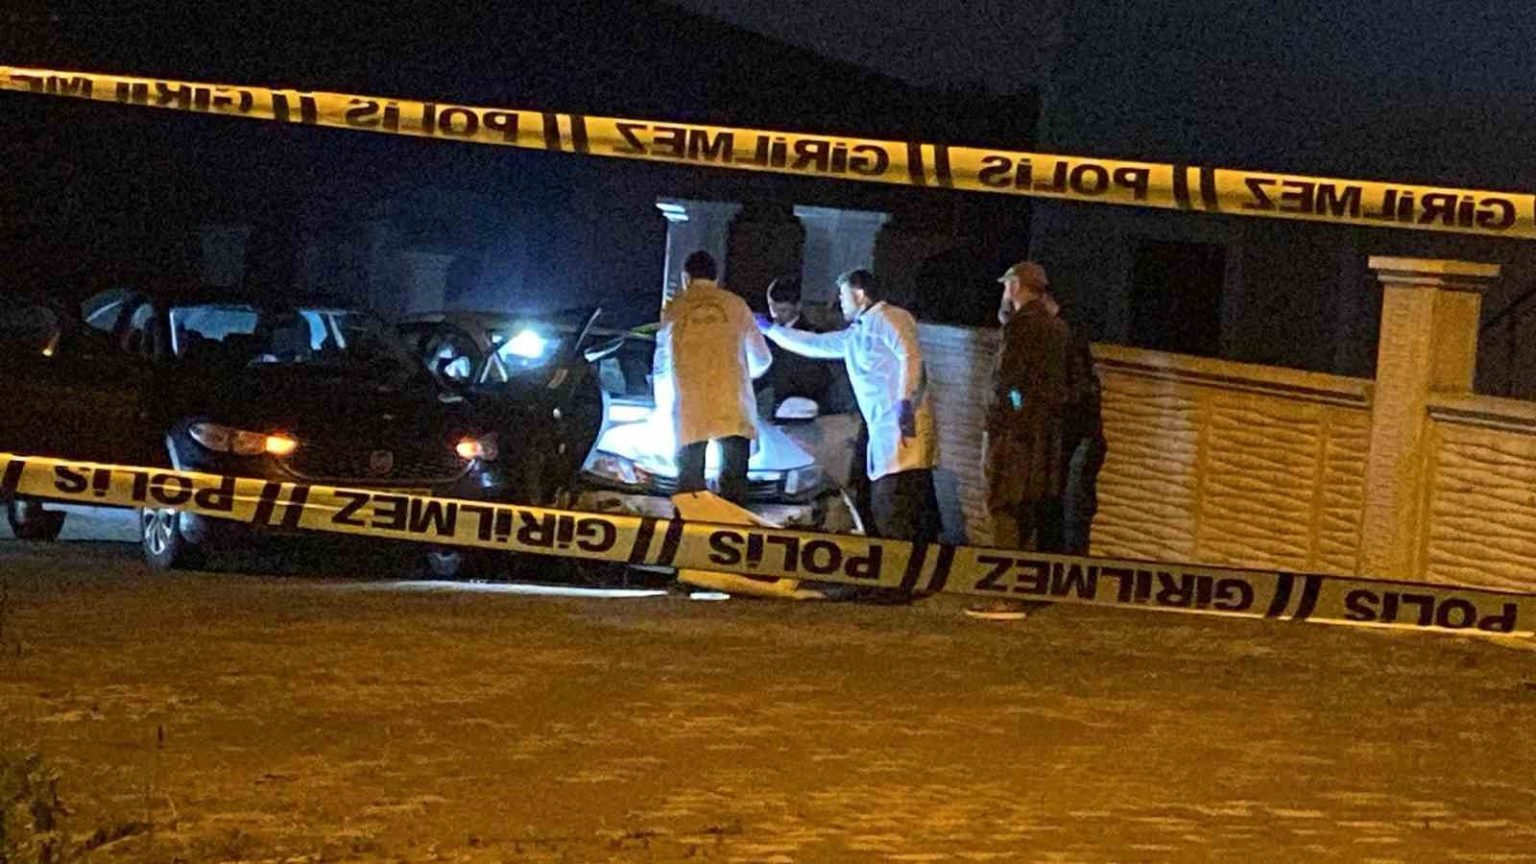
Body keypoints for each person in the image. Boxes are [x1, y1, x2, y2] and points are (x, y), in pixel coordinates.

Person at [763, 269, 939, 544]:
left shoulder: (891, 317)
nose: (840, 303)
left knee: (893, 509)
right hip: (882, 432)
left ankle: (901, 567)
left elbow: (911, 357)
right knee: (881, 508)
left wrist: (905, 405)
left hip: (901, 430)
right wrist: (771, 330)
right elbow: (816, 345)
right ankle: (891, 565)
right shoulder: (858, 333)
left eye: (844, 296)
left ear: (859, 294)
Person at [967, 261, 1071, 621]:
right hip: (1043, 437)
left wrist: (1012, 410)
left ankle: (1006, 596)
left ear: (1015, 287)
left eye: (1006, 286)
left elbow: (1010, 383)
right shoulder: (1057, 327)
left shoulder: (1021, 327)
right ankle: (1024, 591)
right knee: (1027, 511)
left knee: (1004, 508)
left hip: (1014, 436)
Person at [654, 251, 772, 504]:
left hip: (690, 410)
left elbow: (662, 364)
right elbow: (762, 358)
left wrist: (662, 403)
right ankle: (731, 525)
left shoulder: (675, 308)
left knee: (690, 494)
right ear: (716, 278)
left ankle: (692, 526)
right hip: (734, 407)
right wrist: (740, 375)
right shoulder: (736, 305)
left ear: (686, 278)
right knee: (734, 492)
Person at [1041, 290, 1107, 556]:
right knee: (1066, 512)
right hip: (1073, 439)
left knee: (1071, 512)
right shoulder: (1065, 334)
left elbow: (1012, 390)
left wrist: (1022, 406)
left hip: (1075, 439)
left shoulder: (1063, 336)